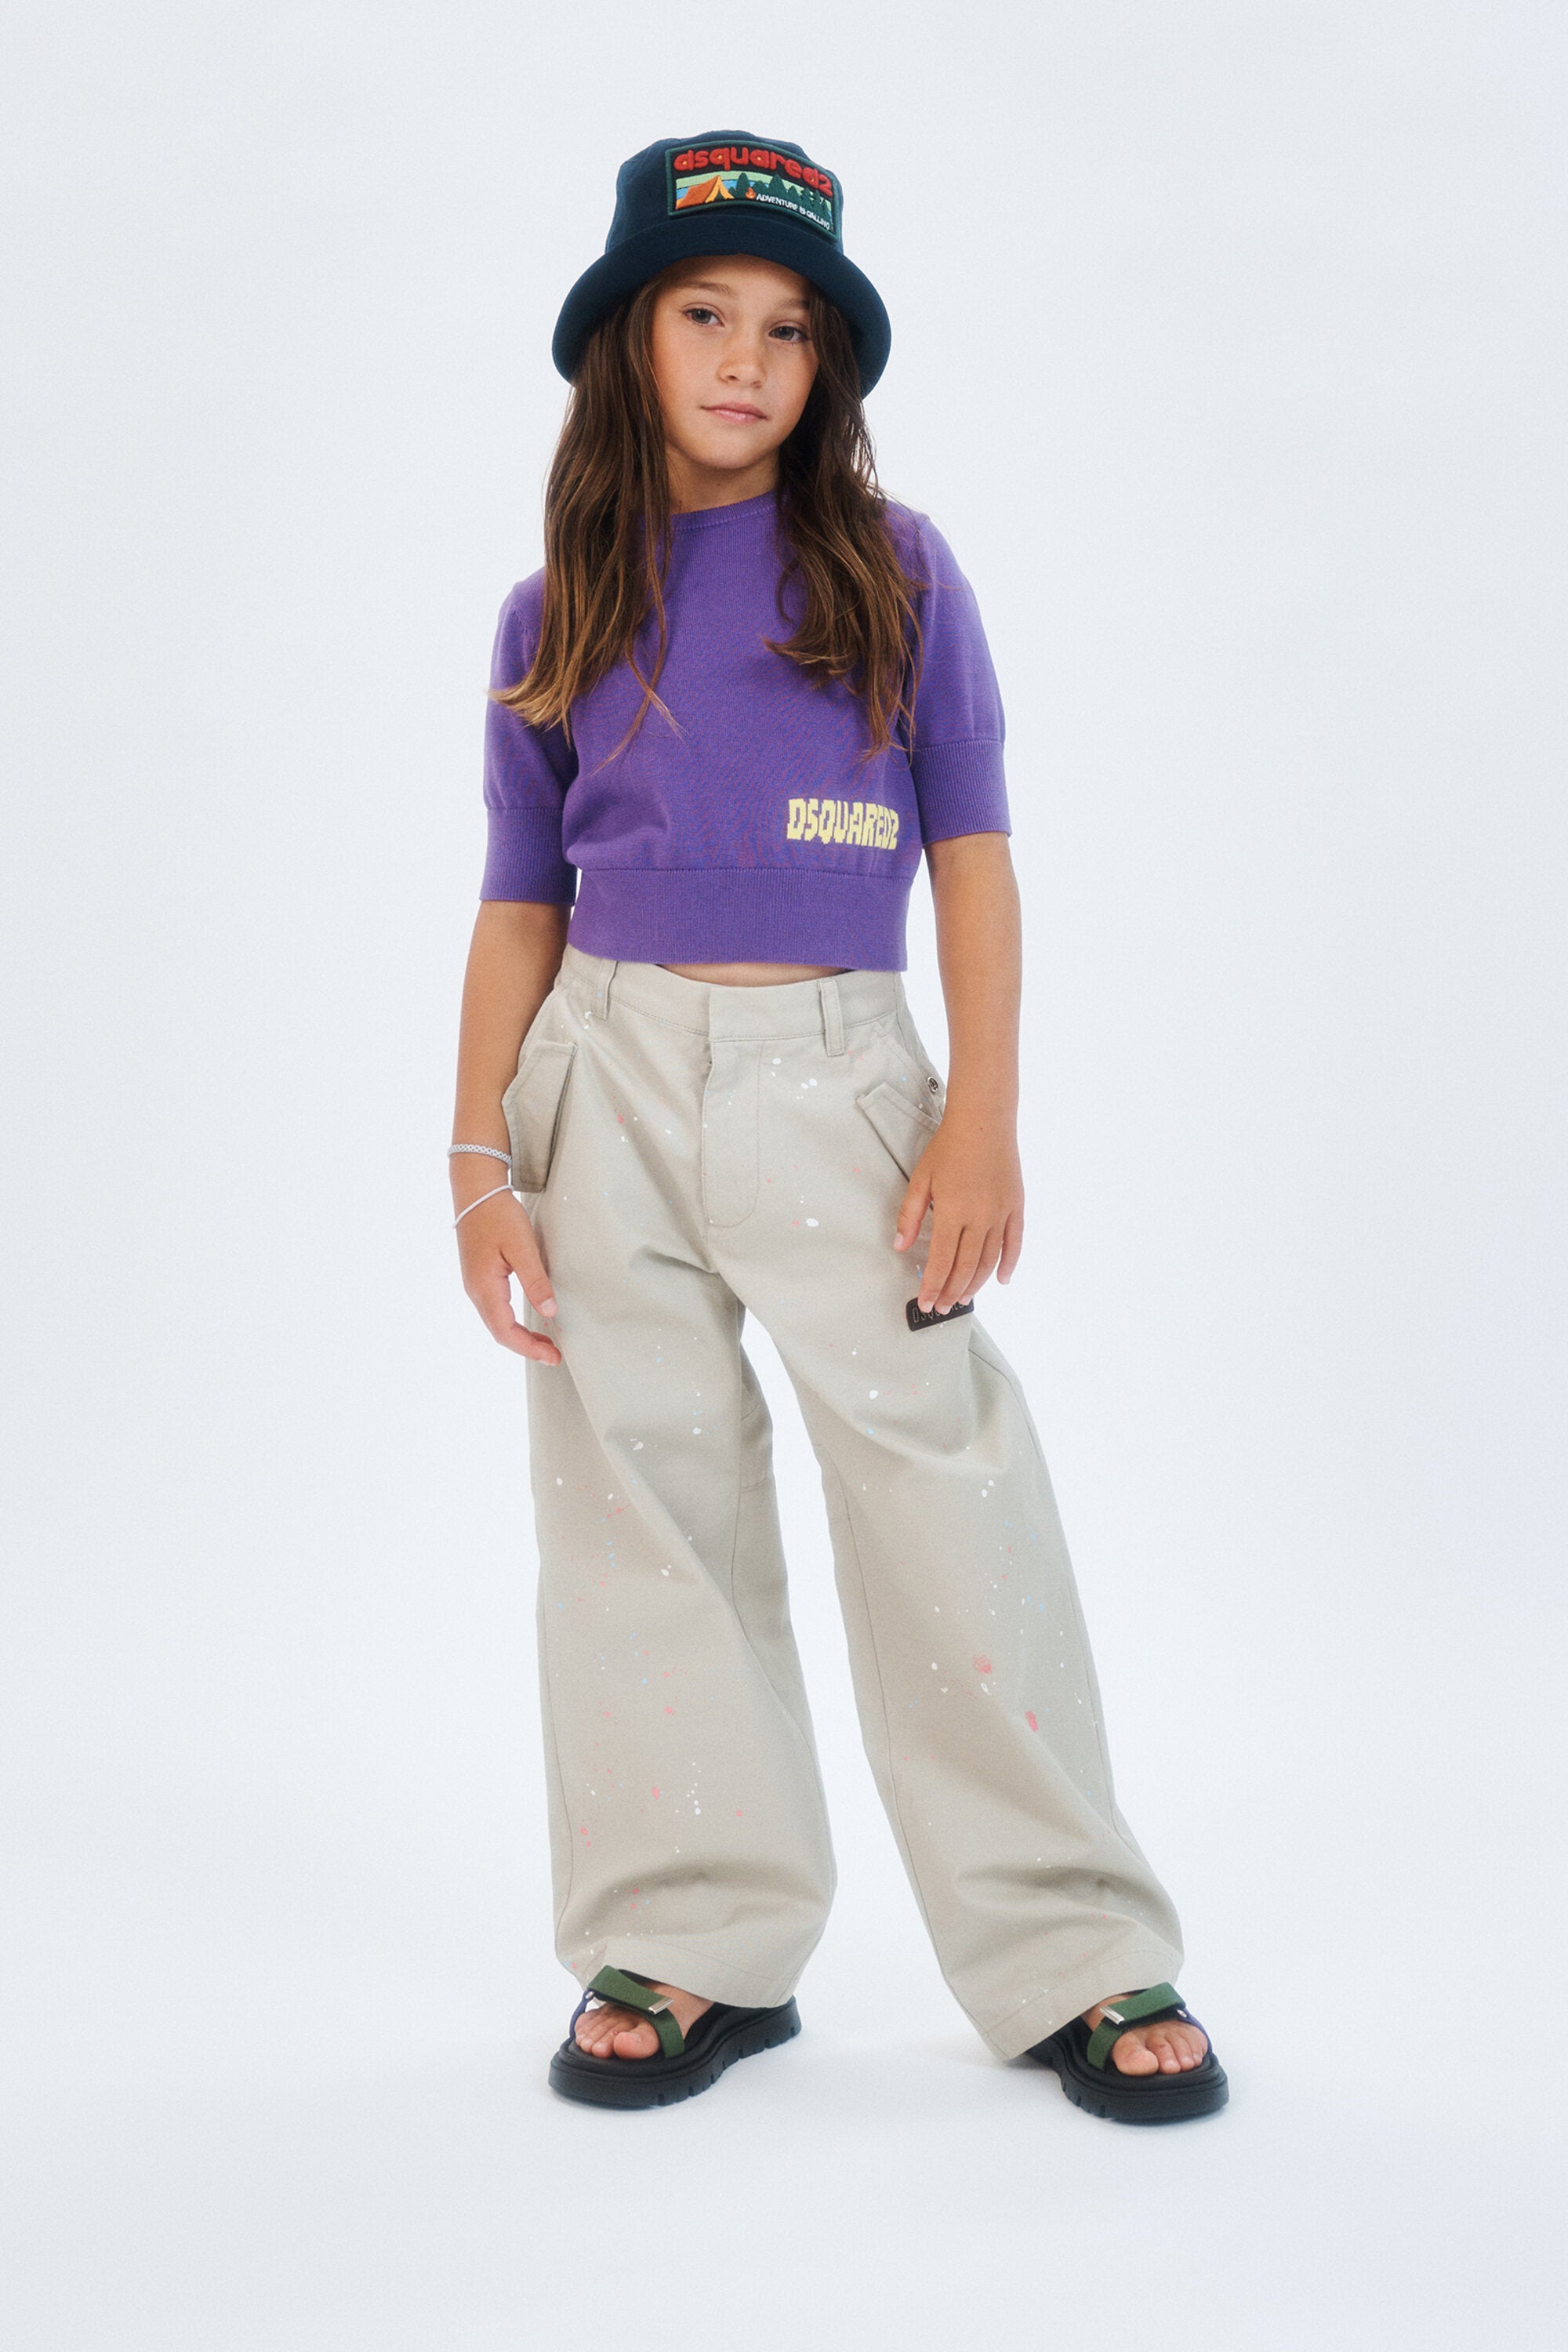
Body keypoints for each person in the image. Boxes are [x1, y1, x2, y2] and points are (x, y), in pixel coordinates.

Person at [448, 130, 1227, 2123]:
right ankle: (692, 1938)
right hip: (600, 1077)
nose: (744, 359)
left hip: (843, 1074)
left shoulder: (897, 570)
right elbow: (518, 903)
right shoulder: (554, 605)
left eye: (788, 329)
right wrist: (478, 1162)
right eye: (703, 314)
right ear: (627, 341)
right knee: (638, 1506)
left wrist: (982, 1119)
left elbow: (974, 856)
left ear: (830, 366)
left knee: (944, 1489)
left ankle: (1070, 1941)